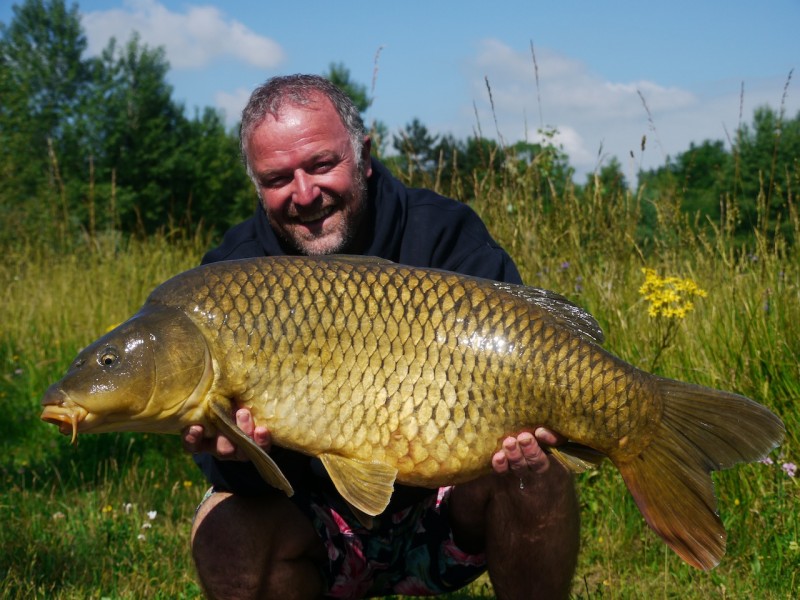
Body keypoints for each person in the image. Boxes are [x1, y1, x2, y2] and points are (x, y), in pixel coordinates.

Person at [183, 74, 579, 599]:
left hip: (444, 508)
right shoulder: (227, 281)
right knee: (223, 528)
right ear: (257, 185)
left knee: (538, 478)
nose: (305, 194)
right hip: (314, 520)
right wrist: (240, 458)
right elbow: (225, 471)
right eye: (278, 178)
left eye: (322, 165)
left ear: (362, 154)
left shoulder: (444, 235)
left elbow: (527, 344)